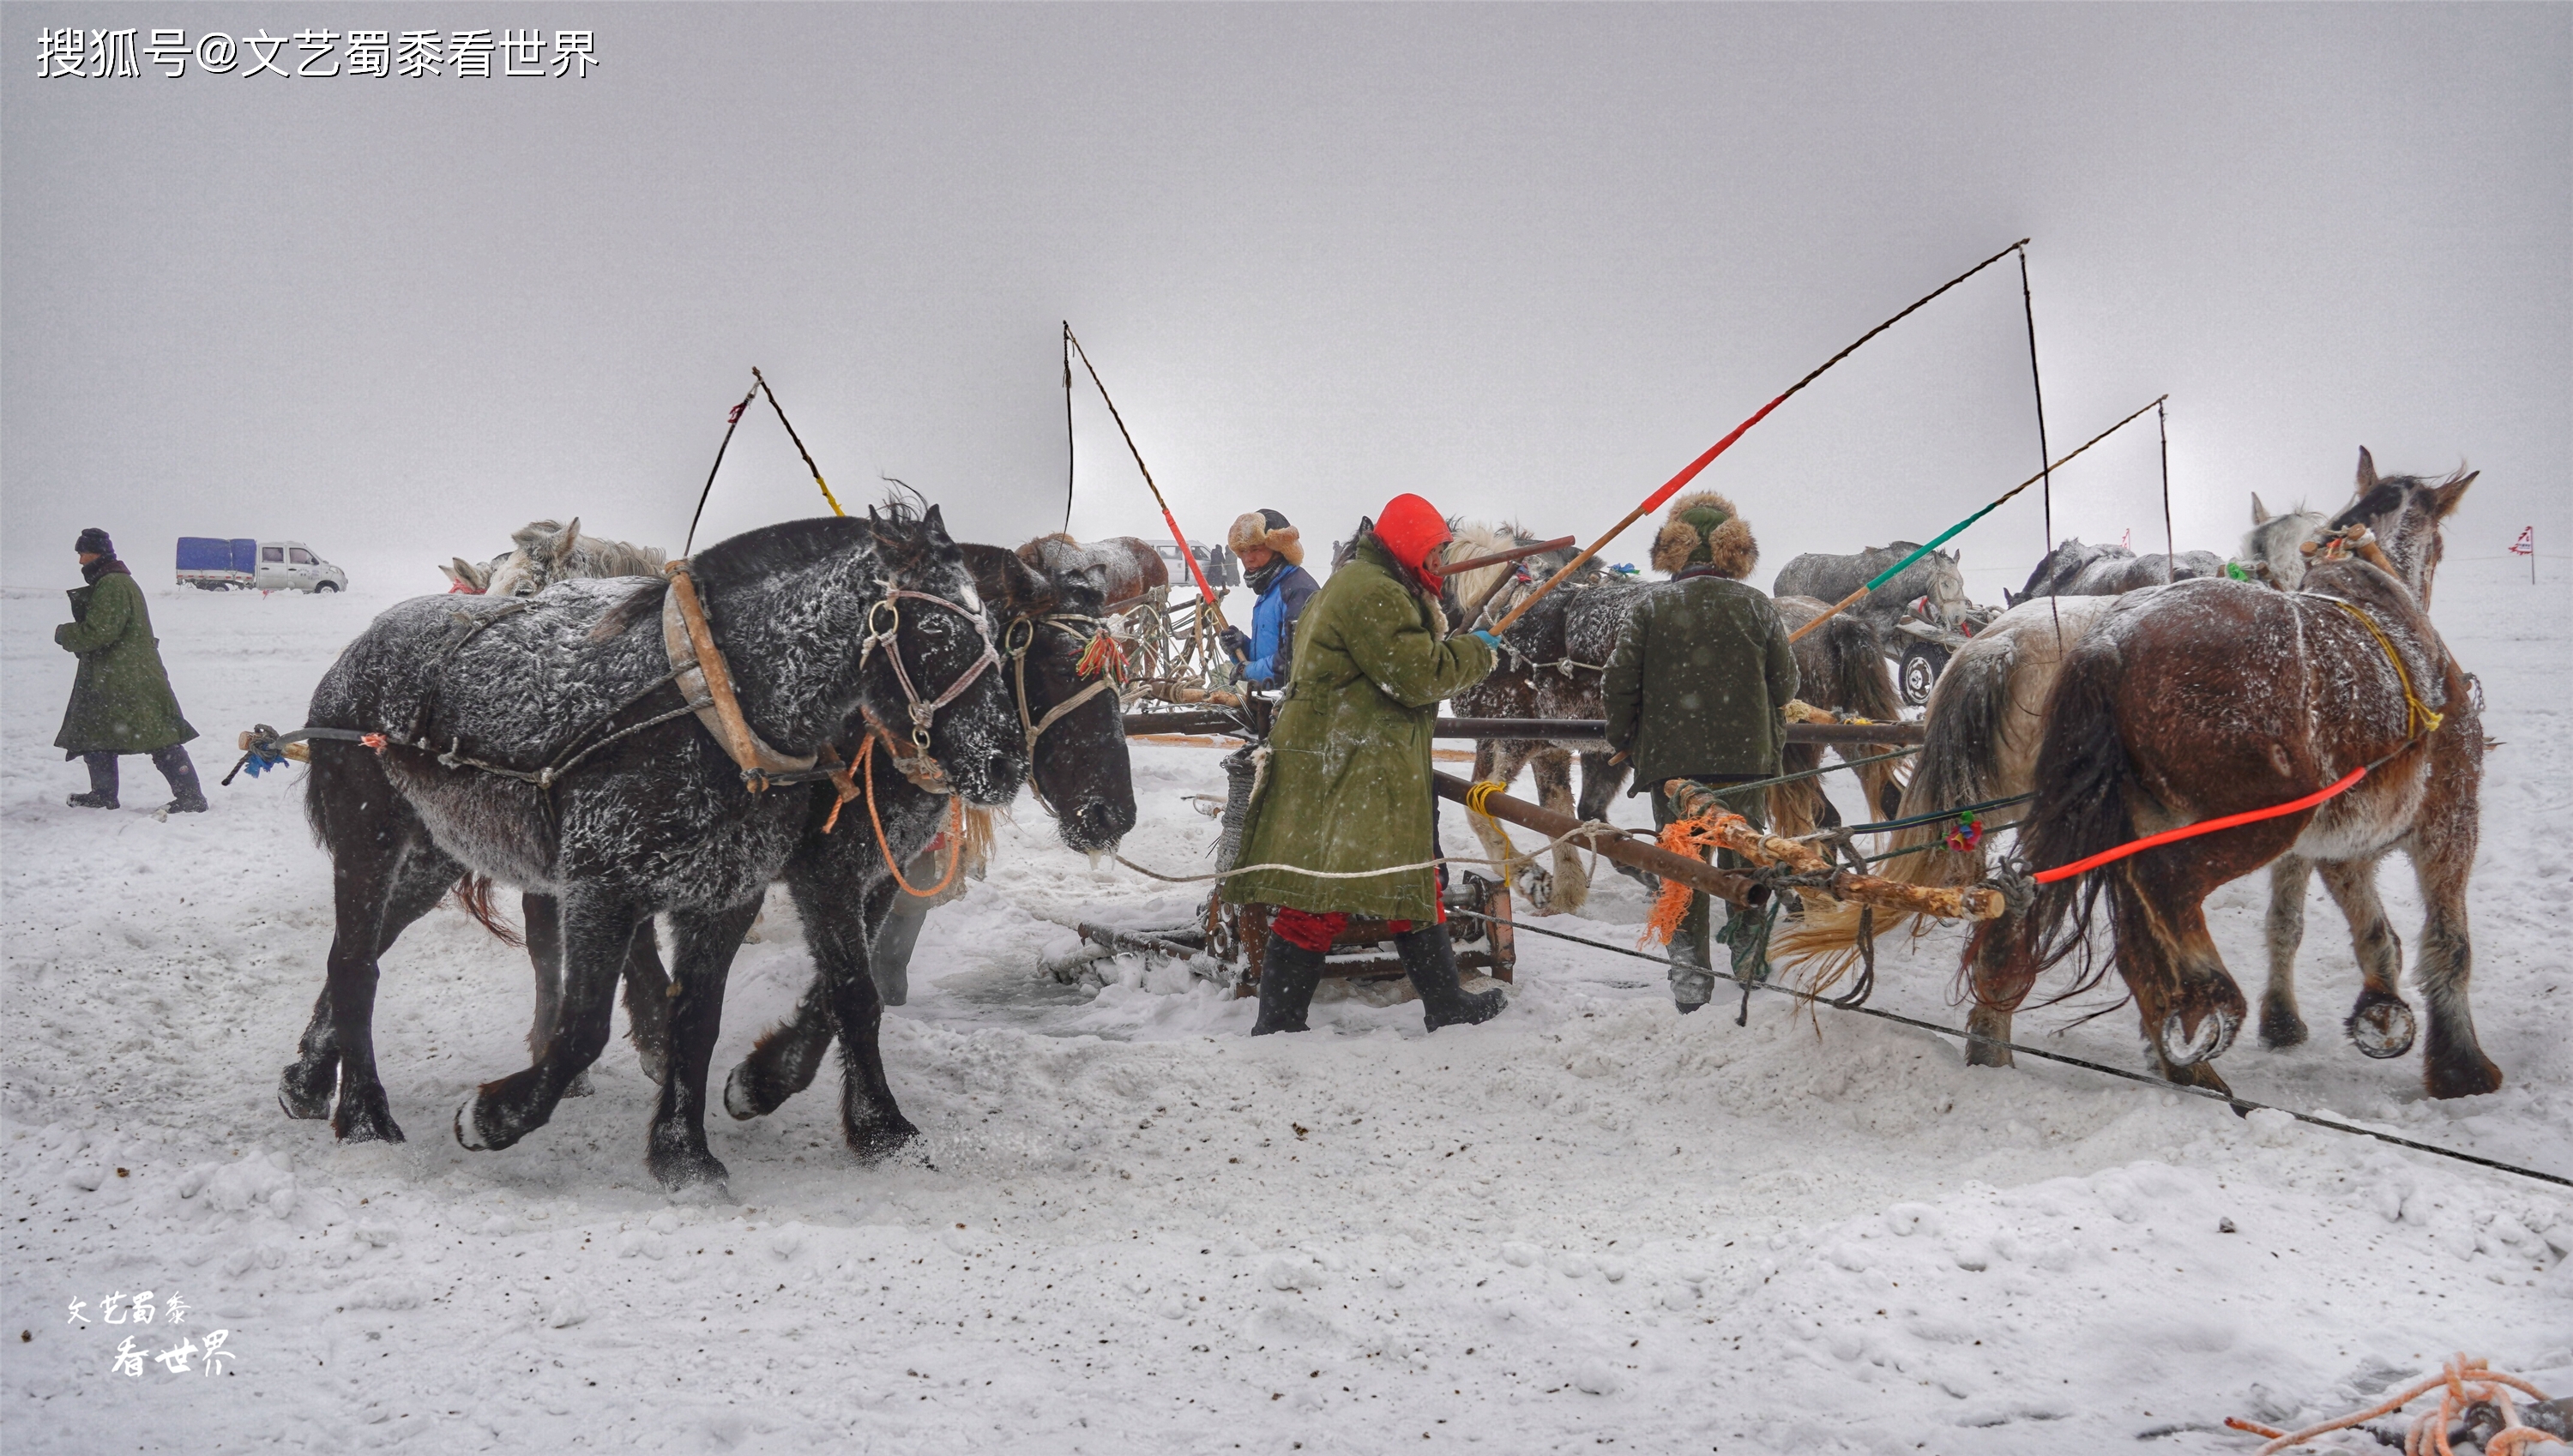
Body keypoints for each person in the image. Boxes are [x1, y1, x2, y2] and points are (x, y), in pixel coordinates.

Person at [1226, 494, 1507, 1035]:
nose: (1436, 566)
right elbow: (1418, 675)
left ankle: (1445, 1004)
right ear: (1404, 546)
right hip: (1350, 766)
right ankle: (1279, 1022)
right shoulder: (1374, 592)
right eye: (1429, 553)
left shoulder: (1366, 581)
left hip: (1354, 760)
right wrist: (1477, 652)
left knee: (1405, 882)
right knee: (1322, 897)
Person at [1601, 490, 1796, 1014]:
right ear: (1733, 552)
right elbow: (1786, 684)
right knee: (1745, 857)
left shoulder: (1650, 606)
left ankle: (1690, 974)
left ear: (1675, 550)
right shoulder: (1758, 606)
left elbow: (1619, 684)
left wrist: (1622, 738)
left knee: (1683, 865)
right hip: (1748, 763)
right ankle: (1750, 957)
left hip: (1674, 769)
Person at [55, 527, 208, 814]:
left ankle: (191, 797)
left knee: (156, 734)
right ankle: (103, 795)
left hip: (127, 677)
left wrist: (65, 633)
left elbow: (99, 632)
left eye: (82, 553)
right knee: (98, 730)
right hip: (121, 675)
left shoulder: (112, 583)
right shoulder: (113, 581)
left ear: (96, 553)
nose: (80, 561)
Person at [1216, 508, 1321, 690]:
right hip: (1268, 705)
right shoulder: (1269, 590)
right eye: (1243, 551)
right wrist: (1241, 646)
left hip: (1291, 709)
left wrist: (1245, 671)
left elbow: (1291, 664)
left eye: (1256, 549)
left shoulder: (1298, 590)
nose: (1248, 558)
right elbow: (1271, 653)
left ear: (1280, 549)